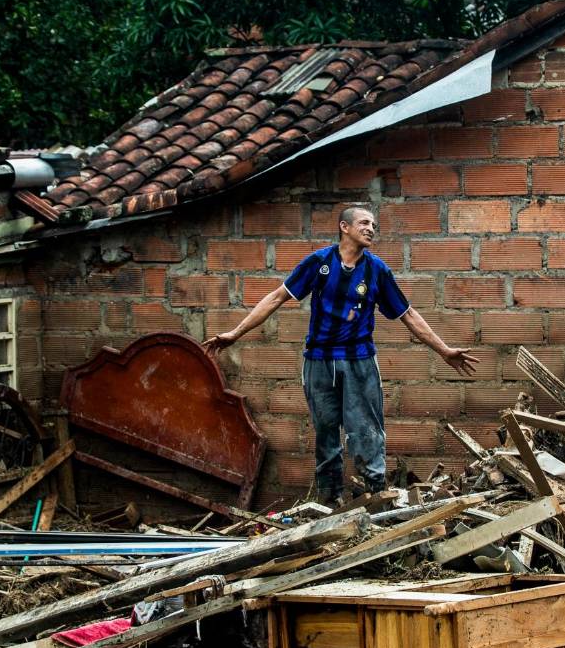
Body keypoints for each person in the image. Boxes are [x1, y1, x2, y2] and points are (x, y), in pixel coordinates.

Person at [202, 205, 478, 505]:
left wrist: (444, 350)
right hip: (318, 362)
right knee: (326, 434)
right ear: (344, 227)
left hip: (359, 361)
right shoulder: (319, 262)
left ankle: (376, 498)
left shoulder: (376, 270)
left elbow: (407, 314)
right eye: (364, 223)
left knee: (366, 432)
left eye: (374, 224)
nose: (371, 228)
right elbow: (276, 297)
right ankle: (329, 501)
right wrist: (235, 333)